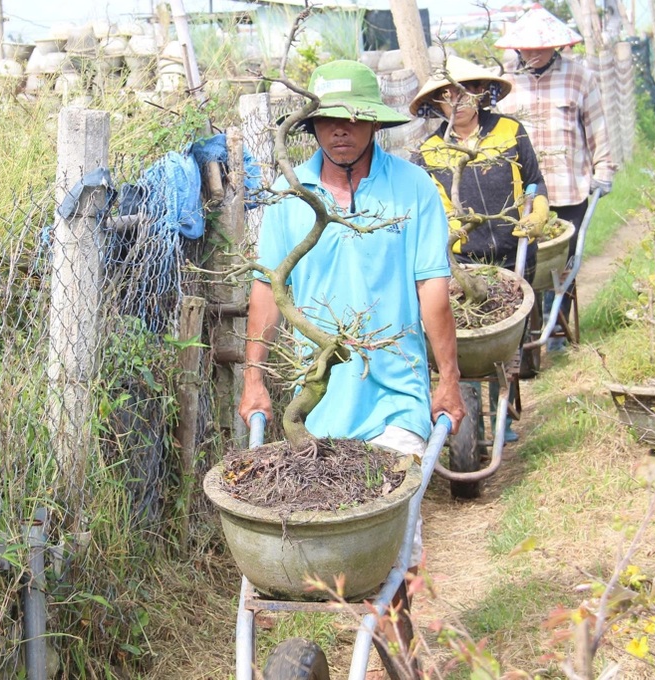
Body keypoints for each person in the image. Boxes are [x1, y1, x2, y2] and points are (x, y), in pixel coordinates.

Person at [237, 59, 464, 676]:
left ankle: (403, 656)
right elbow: (267, 288)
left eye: (355, 120)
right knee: (305, 548)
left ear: (374, 126)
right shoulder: (290, 199)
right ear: (313, 126)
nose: (342, 131)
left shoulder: (412, 190)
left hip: (393, 393)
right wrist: (255, 377)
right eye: (330, 119)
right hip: (320, 404)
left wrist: (447, 378)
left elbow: (433, 290)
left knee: (393, 550)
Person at [409, 56, 549, 442]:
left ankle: (504, 411)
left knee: (507, 341)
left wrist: (537, 211)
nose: (459, 100)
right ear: (436, 103)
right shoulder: (430, 151)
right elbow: (430, 204)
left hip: (513, 248)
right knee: (465, 340)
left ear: (481, 95)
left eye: (467, 91)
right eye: (448, 94)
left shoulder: (509, 130)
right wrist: (450, 232)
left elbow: (535, 182)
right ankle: (472, 417)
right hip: (463, 259)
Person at [494, 4, 617, 352]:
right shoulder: (506, 82)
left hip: (567, 186)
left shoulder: (579, 76)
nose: (532, 52)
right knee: (523, 264)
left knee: (562, 265)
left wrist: (604, 170)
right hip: (523, 193)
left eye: (540, 46)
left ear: (556, 46)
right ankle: (522, 334)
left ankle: (556, 330)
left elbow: (597, 127)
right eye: (526, 47)